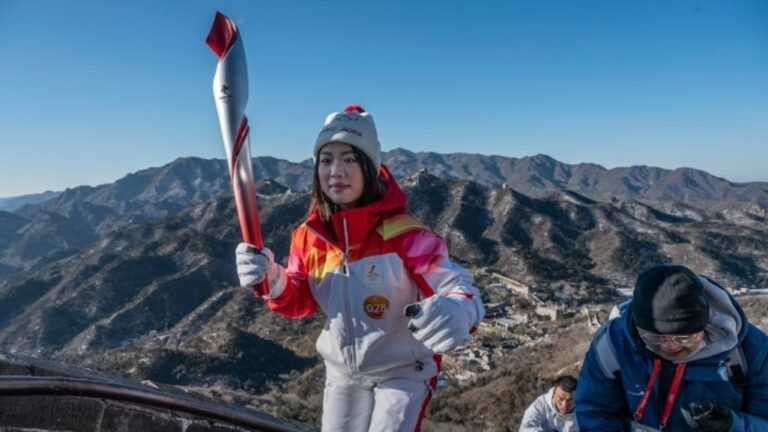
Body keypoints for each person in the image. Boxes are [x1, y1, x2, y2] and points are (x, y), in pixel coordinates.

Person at [235, 105, 485, 432]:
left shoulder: (405, 235)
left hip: (404, 371)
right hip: (343, 372)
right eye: (326, 160)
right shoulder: (309, 238)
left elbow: (457, 286)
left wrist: (459, 310)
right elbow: (301, 299)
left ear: (369, 167)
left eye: (350, 159)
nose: (336, 170)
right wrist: (270, 278)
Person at [575, 264, 768, 431]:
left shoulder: (750, 350)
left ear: (705, 326)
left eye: (683, 338)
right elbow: (596, 412)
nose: (669, 347)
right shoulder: (613, 345)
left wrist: (733, 426)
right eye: (654, 338)